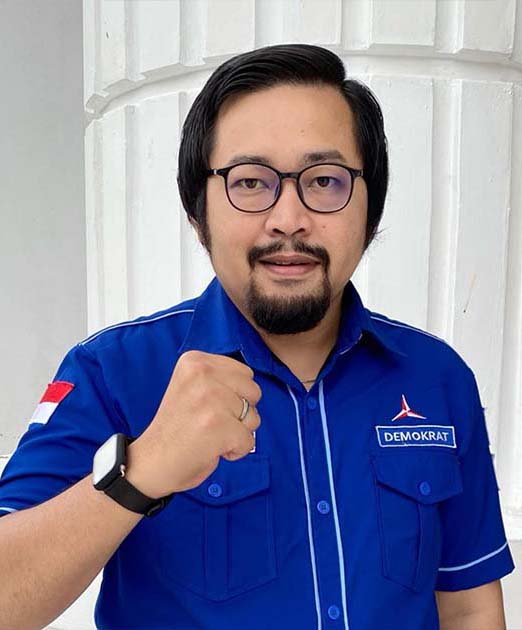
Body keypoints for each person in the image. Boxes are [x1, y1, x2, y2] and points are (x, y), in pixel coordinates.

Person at [0, 43, 515, 630]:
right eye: (249, 182)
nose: (289, 219)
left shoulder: (437, 377)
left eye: (325, 181)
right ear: (198, 215)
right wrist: (141, 470)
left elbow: (469, 605)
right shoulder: (113, 372)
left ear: (370, 213)